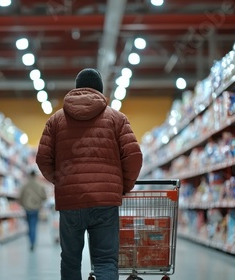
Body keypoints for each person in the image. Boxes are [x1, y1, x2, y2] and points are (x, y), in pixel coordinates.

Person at [36, 68, 143, 280]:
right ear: (100, 91)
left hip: (70, 202)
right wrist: (123, 186)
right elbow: (134, 157)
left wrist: (61, 181)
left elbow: (42, 159)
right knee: (105, 260)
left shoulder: (55, 121)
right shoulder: (117, 119)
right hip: (105, 201)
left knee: (70, 260)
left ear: (77, 89)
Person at [18, 169, 47, 251]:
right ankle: (33, 242)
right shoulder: (40, 185)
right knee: (34, 225)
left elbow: (20, 196)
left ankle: (31, 241)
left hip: (27, 208)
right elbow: (44, 197)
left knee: (29, 225)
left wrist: (23, 204)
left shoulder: (25, 185)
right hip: (36, 208)